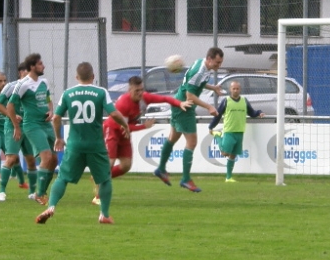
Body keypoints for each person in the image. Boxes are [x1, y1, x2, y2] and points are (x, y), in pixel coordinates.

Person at [36, 62, 129, 225]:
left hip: (75, 145)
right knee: (105, 179)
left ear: (76, 77)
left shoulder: (68, 93)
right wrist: (125, 125)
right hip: (95, 145)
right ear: (93, 76)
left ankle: (51, 206)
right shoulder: (101, 92)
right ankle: (104, 215)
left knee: (62, 178)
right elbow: (113, 113)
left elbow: (56, 117)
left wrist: (58, 137)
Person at [91, 76, 187, 204]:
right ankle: (98, 196)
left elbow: (164, 99)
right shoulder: (123, 103)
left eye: (142, 89)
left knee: (126, 165)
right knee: (110, 162)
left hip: (124, 134)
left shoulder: (144, 98)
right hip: (113, 130)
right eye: (137, 90)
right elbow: (124, 127)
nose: (140, 93)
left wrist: (179, 103)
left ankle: (99, 177)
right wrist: (144, 126)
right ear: (129, 90)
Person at [154, 47, 224, 192]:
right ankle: (185, 179)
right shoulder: (199, 71)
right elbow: (190, 96)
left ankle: (161, 169)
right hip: (184, 106)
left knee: (172, 138)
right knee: (191, 142)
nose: (219, 65)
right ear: (209, 59)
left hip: (178, 103)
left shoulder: (201, 63)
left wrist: (213, 88)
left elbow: (197, 83)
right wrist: (209, 107)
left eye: (220, 62)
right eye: (217, 62)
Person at [9, 54, 57, 205]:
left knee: (54, 160)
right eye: (40, 64)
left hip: (46, 124)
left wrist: (51, 111)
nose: (43, 66)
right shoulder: (23, 84)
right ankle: (39, 194)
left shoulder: (44, 82)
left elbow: (48, 100)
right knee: (46, 157)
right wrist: (16, 126)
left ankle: (42, 191)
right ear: (32, 67)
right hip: (32, 125)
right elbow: (10, 105)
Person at [207, 80, 264, 182]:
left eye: (237, 89)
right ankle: (217, 136)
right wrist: (211, 126)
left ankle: (228, 177)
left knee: (233, 155)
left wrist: (259, 112)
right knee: (225, 153)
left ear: (240, 89)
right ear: (230, 89)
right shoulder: (226, 101)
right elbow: (218, 115)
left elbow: (252, 113)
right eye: (234, 88)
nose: (236, 90)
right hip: (229, 131)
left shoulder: (244, 101)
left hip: (240, 131)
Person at [0, 64, 34, 201]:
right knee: (11, 158)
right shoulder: (11, 86)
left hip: (29, 126)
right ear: (20, 73)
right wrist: (11, 115)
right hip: (12, 126)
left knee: (31, 160)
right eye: (26, 71)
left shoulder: (34, 87)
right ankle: (1, 191)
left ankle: (32, 192)